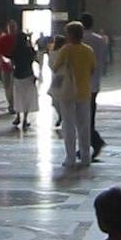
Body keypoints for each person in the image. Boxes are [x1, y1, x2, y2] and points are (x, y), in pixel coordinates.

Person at [51, 21, 95, 167]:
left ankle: (70, 157)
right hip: (84, 91)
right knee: (84, 125)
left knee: (68, 125)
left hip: (67, 91)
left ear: (69, 35)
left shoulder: (65, 50)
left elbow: (56, 67)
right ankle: (85, 156)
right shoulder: (88, 50)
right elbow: (93, 69)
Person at [80, 12, 107, 157]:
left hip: (81, 83)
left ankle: (95, 141)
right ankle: (87, 143)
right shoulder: (100, 40)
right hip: (95, 82)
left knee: (81, 116)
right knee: (90, 114)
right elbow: (103, 60)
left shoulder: (80, 40)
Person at [11, 28, 39, 129]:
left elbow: (12, 63)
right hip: (28, 75)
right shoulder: (29, 50)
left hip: (17, 75)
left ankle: (18, 117)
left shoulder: (14, 50)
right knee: (27, 97)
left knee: (18, 96)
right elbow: (35, 59)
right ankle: (25, 119)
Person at [0, 18, 17, 113]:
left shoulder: (3, 39)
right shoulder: (16, 38)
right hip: (11, 65)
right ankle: (12, 104)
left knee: (9, 86)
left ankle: (11, 104)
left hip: (8, 65)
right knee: (11, 86)